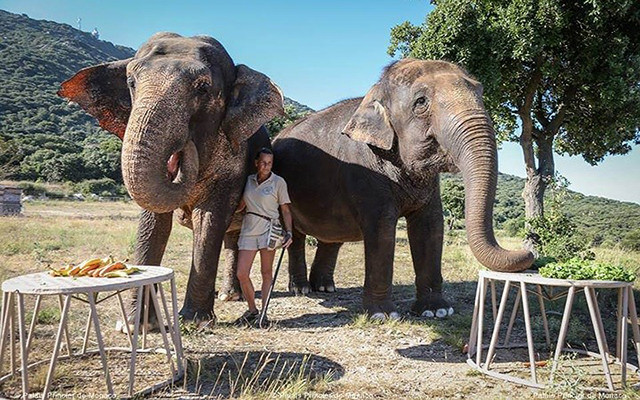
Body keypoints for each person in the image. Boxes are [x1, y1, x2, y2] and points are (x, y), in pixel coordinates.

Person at [235, 147, 293, 326]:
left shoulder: (278, 182)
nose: (266, 166)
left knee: (266, 272)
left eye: (269, 163)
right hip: (249, 229)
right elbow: (241, 205)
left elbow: (285, 210)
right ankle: (252, 310)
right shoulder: (249, 181)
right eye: (263, 162)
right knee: (241, 273)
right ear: (256, 163)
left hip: (269, 230)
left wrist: (289, 232)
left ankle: (264, 313)